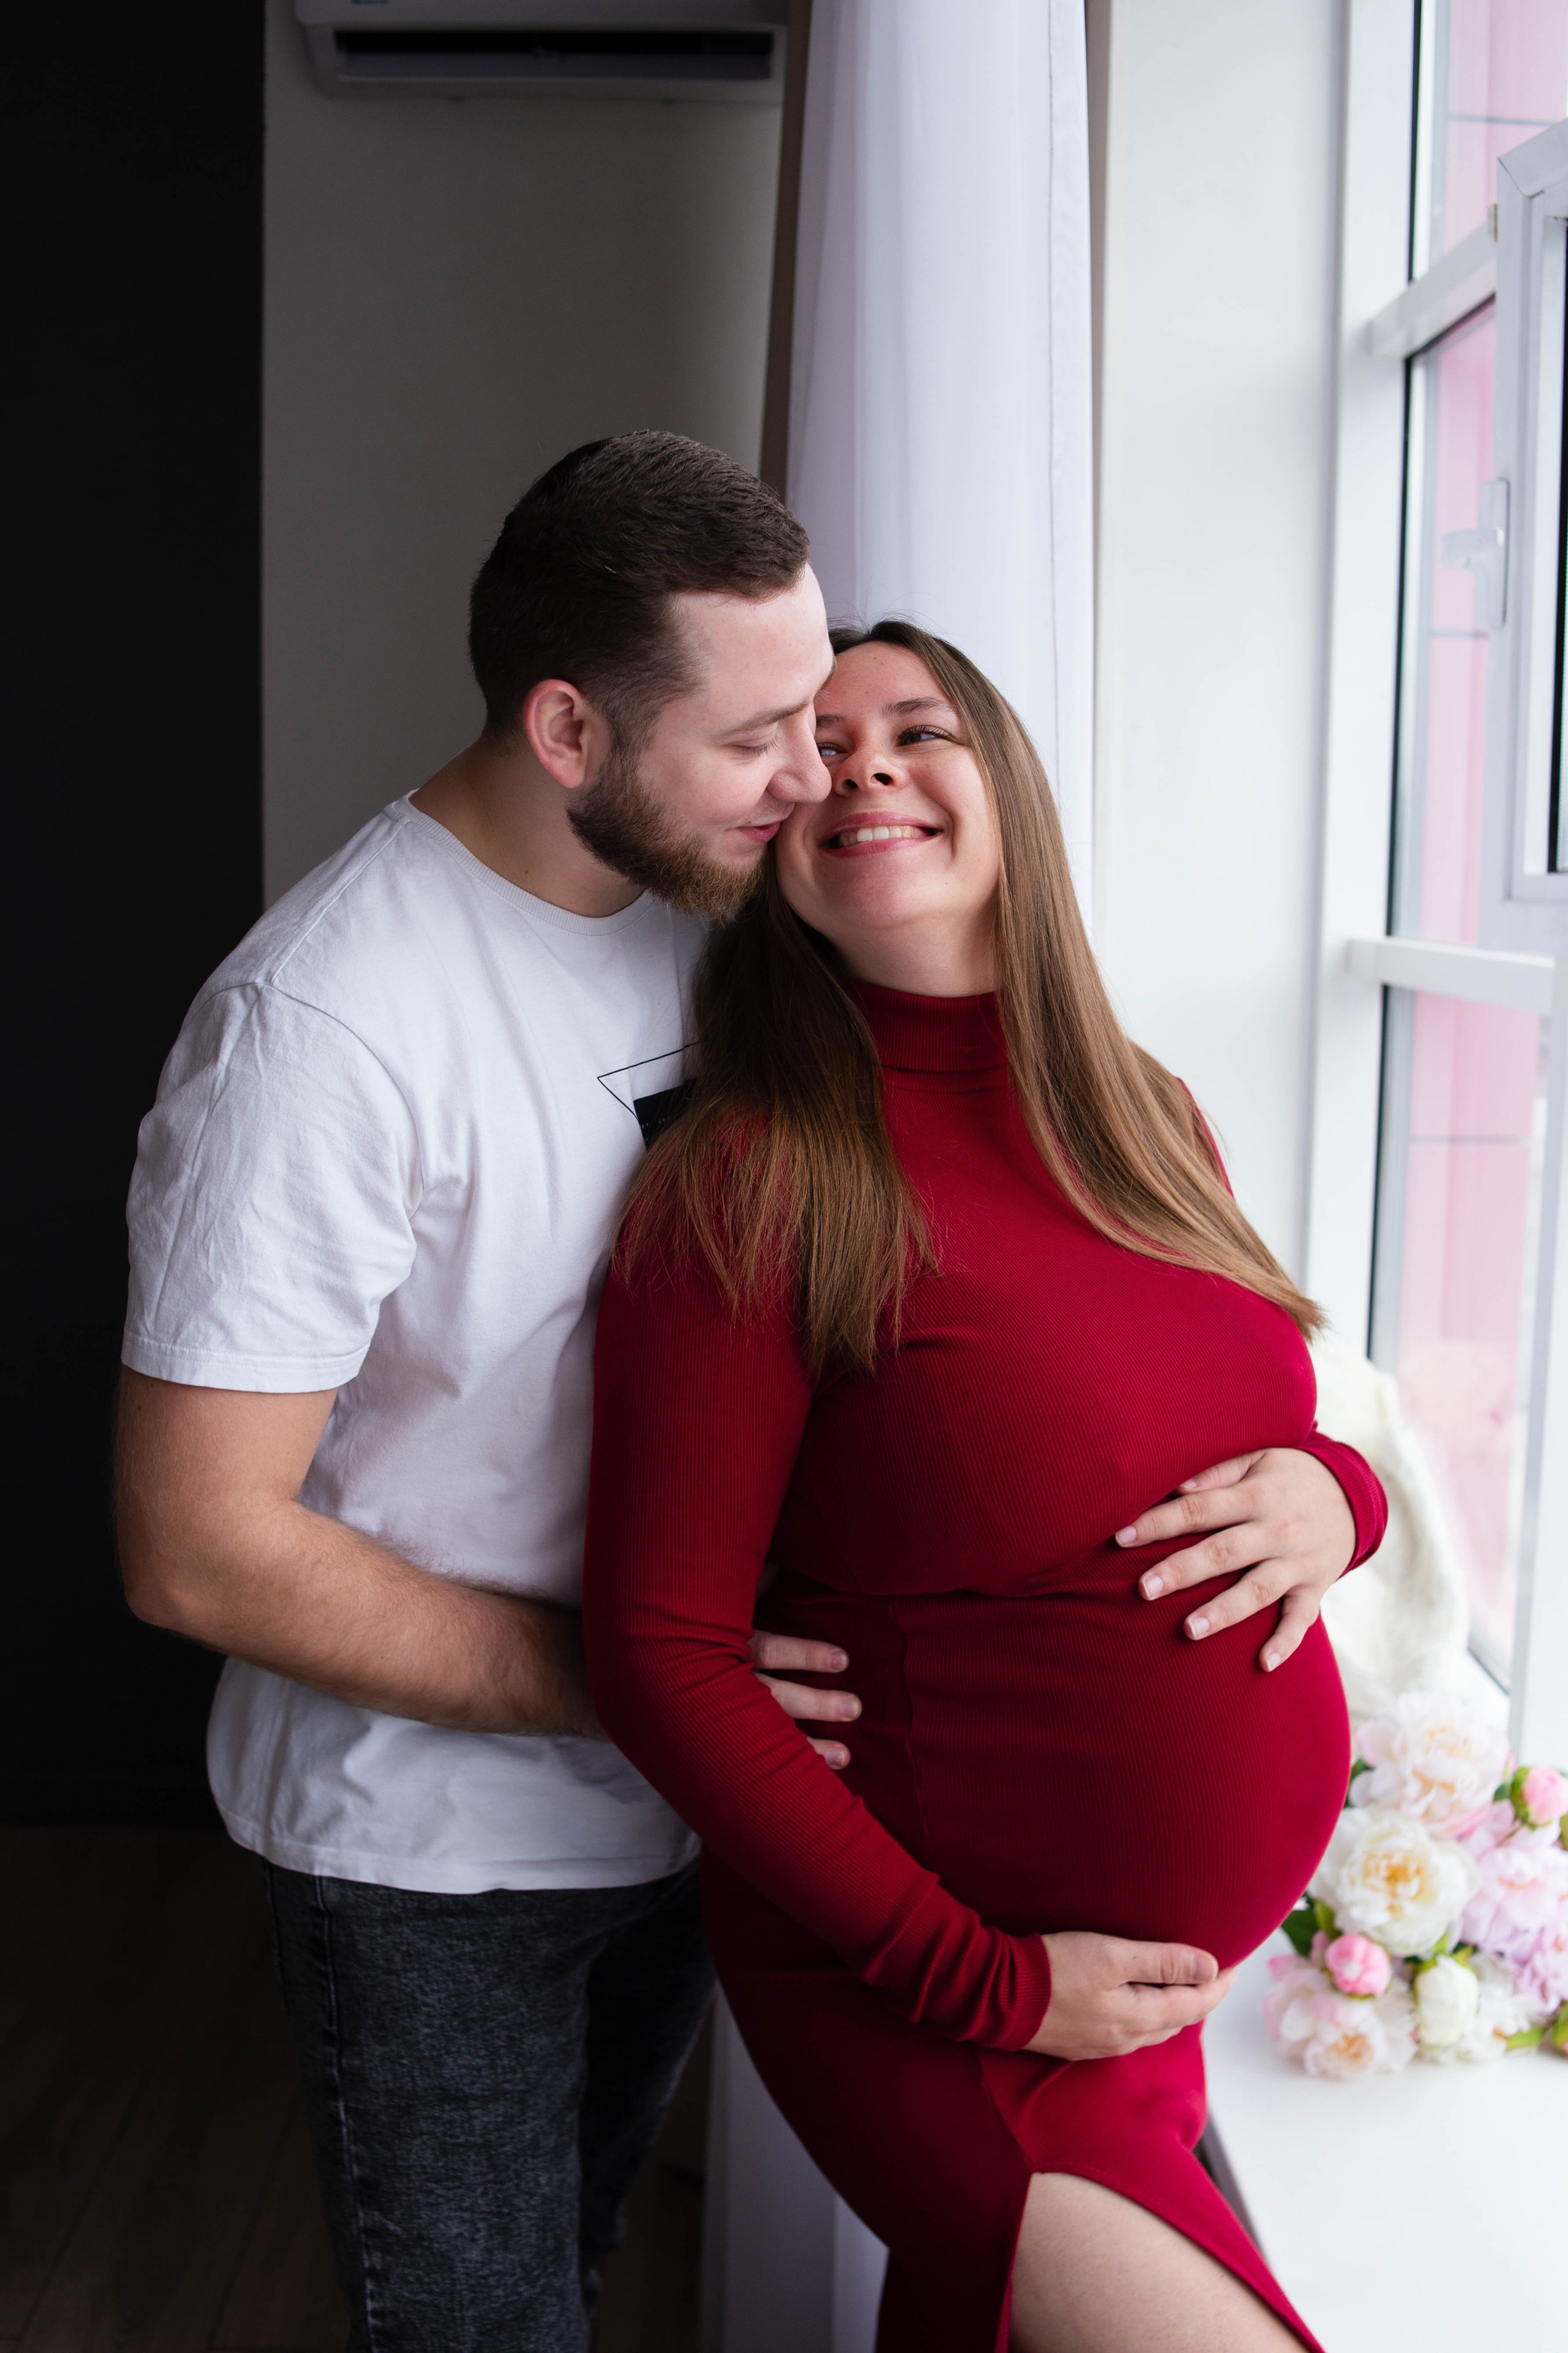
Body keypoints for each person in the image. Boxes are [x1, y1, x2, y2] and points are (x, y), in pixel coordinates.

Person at [118, 433, 1369, 2352]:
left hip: (689, 1820)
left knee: (580, 2263)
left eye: (846, 720)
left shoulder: (699, 915)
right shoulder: (327, 1030)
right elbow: (195, 1547)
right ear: (570, 731)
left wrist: (1336, 1487)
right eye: (767, 733)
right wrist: (653, 1680)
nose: (816, 777)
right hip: (447, 1847)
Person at [582, 619, 1388, 2353]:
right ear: (771, 834)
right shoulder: (754, 1177)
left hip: (1135, 2001)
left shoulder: (1144, 1111)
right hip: (940, 1990)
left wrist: (1344, 1497)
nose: (864, 764)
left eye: (917, 727)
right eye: (817, 746)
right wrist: (995, 1982)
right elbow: (658, 1648)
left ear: (1006, 785)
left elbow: (1230, 1414)